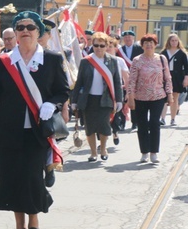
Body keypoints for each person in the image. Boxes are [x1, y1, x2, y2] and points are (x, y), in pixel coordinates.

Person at [0, 11, 69, 229]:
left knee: (33, 179)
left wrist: (50, 104)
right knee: (12, 180)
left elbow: (63, 91)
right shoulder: (5, 61)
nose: (25, 31)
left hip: (36, 130)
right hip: (8, 131)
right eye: (20, 27)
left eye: (30, 27)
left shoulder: (52, 60)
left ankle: (34, 226)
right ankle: (19, 228)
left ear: (39, 32)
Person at [70, 32, 123, 162]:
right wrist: (74, 101)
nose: (98, 48)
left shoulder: (113, 61)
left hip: (106, 99)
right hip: (89, 99)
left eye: (101, 45)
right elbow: (79, 82)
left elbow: (117, 81)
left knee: (104, 126)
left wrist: (120, 100)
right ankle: (93, 153)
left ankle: (103, 149)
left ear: (106, 46)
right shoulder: (86, 61)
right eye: (96, 45)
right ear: (92, 45)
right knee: (90, 127)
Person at [127, 34, 171, 163]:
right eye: (146, 43)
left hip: (158, 96)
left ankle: (154, 152)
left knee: (154, 123)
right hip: (140, 97)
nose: (149, 45)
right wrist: (130, 96)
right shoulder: (137, 60)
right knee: (142, 124)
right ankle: (144, 152)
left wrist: (169, 94)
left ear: (155, 44)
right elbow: (132, 80)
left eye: (151, 42)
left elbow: (167, 78)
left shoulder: (162, 59)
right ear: (142, 45)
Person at [159, 33, 188, 126]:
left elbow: (186, 67)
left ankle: (172, 119)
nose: (174, 42)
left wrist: (186, 79)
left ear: (178, 41)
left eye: (176, 40)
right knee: (164, 98)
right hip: (165, 77)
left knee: (175, 98)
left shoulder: (182, 53)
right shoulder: (163, 53)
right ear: (169, 41)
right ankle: (162, 118)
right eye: (172, 40)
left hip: (177, 77)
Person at [106, 37, 130, 145]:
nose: (108, 49)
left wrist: (128, 93)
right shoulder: (100, 60)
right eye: (106, 46)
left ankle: (115, 131)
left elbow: (126, 77)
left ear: (115, 48)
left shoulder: (120, 61)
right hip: (104, 92)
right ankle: (102, 138)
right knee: (102, 116)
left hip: (117, 91)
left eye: (110, 47)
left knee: (115, 115)